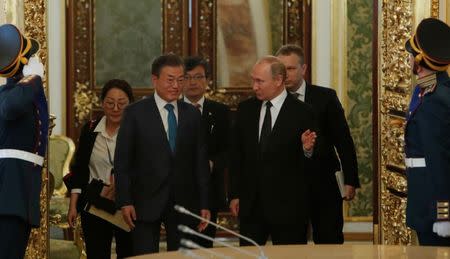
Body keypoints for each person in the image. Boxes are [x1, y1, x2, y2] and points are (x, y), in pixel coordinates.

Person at [114, 53, 211, 255]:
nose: (176, 85)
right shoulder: (135, 113)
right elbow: (122, 161)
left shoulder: (192, 114)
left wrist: (204, 203)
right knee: (145, 254)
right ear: (155, 79)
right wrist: (125, 200)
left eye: (180, 80)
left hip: (184, 202)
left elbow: (200, 161)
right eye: (170, 79)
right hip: (144, 201)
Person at [229, 55, 317, 245]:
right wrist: (235, 194)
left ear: (278, 81)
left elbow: (314, 163)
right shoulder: (246, 110)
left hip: (289, 208)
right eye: (253, 80)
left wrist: (306, 150)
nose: (254, 87)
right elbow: (237, 156)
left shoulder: (303, 112)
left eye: (260, 81)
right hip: (251, 206)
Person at [276, 44, 359, 244]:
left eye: (291, 68)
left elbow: (343, 140)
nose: (285, 74)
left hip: (325, 184)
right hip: (290, 188)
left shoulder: (325, 98)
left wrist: (350, 180)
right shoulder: (273, 102)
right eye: (281, 69)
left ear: (303, 69)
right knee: (291, 245)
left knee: (329, 241)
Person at [66, 79, 134, 258]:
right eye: (110, 103)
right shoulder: (90, 130)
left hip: (127, 206)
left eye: (122, 103)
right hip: (96, 204)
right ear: (102, 103)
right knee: (96, 254)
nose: (116, 108)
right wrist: (73, 205)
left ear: (130, 105)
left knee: (128, 253)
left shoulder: (136, 132)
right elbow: (79, 169)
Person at [0, 23, 48, 258]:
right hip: (8, 193)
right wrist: (33, 79)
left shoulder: (24, 93)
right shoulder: (10, 95)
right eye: (29, 58)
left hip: (20, 192)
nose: (35, 62)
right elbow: (11, 109)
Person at [404, 17, 450, 246]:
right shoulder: (429, 89)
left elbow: (439, 158)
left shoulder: (436, 100)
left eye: (411, 56)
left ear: (420, 61)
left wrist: (444, 214)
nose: (409, 60)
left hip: (433, 206)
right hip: (423, 194)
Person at [182, 56, 231, 248]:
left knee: (203, 247)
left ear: (208, 80)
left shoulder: (220, 112)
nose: (192, 82)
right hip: (178, 192)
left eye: (198, 77)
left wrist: (213, 163)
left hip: (209, 192)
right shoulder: (172, 110)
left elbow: (229, 149)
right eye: (187, 77)